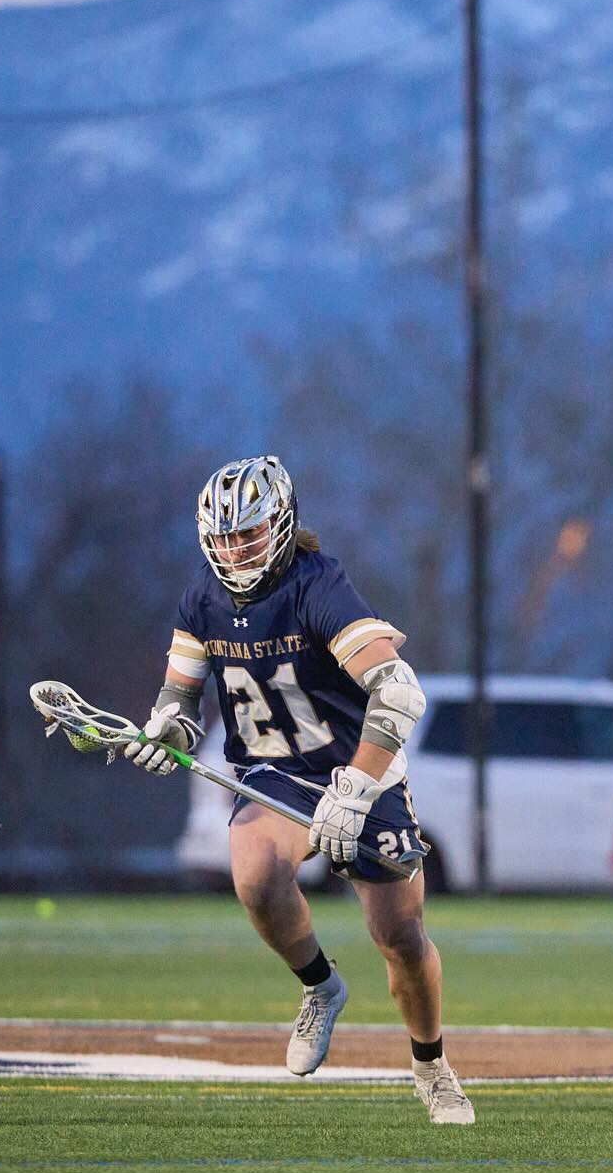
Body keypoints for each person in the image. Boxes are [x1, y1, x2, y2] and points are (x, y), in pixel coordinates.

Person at [126, 455, 473, 1124]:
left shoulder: (319, 586)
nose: (236, 548)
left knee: (400, 934)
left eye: (249, 534)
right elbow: (180, 695)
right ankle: (321, 985)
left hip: (358, 768)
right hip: (275, 769)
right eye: (224, 537)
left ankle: (431, 1065)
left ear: (282, 525)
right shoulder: (202, 596)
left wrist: (357, 786)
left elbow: (399, 692)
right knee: (255, 872)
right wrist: (163, 728)